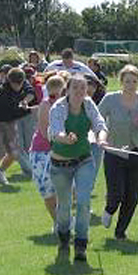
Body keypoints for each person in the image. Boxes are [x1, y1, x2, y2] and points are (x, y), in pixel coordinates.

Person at [48, 73, 108, 262]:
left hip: (83, 160)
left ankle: (81, 243)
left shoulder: (89, 104)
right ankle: (64, 236)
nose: (80, 91)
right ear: (68, 89)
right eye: (76, 87)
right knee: (64, 206)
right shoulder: (59, 107)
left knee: (83, 202)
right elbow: (55, 129)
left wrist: (101, 138)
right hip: (60, 164)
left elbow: (100, 124)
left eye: (83, 88)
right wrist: (64, 137)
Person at [98, 65, 138, 240]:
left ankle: (120, 231)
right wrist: (100, 138)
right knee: (116, 193)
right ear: (121, 82)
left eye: (134, 81)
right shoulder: (110, 99)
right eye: (127, 81)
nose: (131, 85)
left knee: (132, 196)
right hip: (114, 151)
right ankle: (109, 209)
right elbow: (97, 120)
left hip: (136, 153)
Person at [0, 68, 35, 186]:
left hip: (9, 121)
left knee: (14, 153)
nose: (18, 86)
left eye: (20, 83)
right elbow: (15, 112)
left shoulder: (23, 82)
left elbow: (31, 92)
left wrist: (25, 101)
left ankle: (0, 173)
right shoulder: (3, 93)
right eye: (15, 84)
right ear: (9, 81)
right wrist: (32, 110)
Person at [29, 75, 65, 235]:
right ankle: (57, 221)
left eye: (61, 94)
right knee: (47, 190)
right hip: (42, 151)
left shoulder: (70, 106)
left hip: (63, 151)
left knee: (66, 189)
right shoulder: (45, 105)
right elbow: (44, 131)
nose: (56, 98)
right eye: (52, 95)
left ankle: (65, 221)